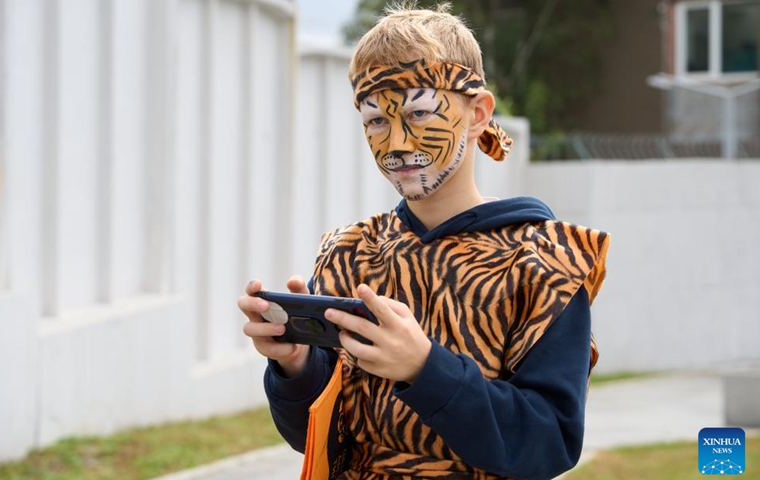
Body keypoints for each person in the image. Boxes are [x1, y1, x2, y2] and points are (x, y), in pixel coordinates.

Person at [238, 3, 610, 479]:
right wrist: (297, 366)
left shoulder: (544, 264)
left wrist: (426, 369)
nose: (395, 143)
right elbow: (315, 438)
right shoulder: (349, 253)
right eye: (375, 120)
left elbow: (549, 445)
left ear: (478, 113)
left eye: (419, 112)